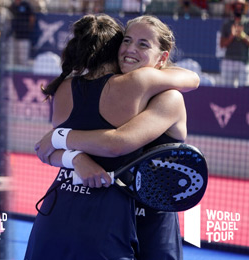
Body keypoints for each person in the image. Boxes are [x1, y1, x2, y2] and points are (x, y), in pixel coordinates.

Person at [24, 14, 199, 259]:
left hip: (150, 217)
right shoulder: (136, 83)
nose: (130, 49)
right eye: (126, 41)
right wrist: (75, 157)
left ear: (163, 57)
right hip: (109, 213)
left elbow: (114, 143)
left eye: (143, 44)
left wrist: (60, 137)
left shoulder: (168, 96)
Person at [219, 0, 249, 87]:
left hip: (243, 62)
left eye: (241, 6)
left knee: (243, 90)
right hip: (229, 61)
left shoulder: (248, 23)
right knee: (226, 89)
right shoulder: (227, 24)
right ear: (233, 7)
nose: (239, 8)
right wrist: (231, 36)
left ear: (244, 8)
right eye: (237, 6)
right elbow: (222, 44)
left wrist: (242, 35)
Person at [9, 0, 36, 66]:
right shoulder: (12, 6)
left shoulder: (26, 4)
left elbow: (32, 17)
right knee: (15, 59)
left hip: (24, 36)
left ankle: (23, 76)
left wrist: (28, 28)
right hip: (15, 36)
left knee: (23, 59)